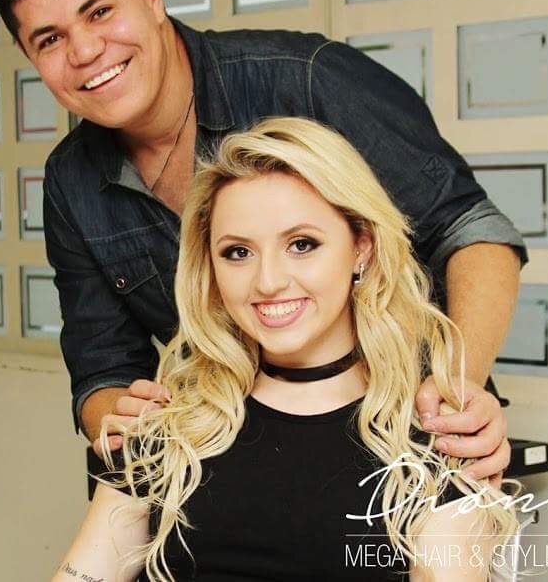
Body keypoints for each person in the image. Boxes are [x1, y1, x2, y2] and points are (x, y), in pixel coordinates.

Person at [0, 0, 524, 479]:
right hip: (235, 463)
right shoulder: (71, 181)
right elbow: (102, 366)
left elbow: (472, 230)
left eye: (100, 12)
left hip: (411, 441)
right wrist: (119, 420)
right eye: (50, 39)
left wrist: (459, 386)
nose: (85, 51)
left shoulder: (306, 79)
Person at [53, 118, 518, 582]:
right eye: (238, 252)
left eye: (301, 244)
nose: (268, 281)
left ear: (361, 247)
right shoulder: (169, 426)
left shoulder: (435, 443)